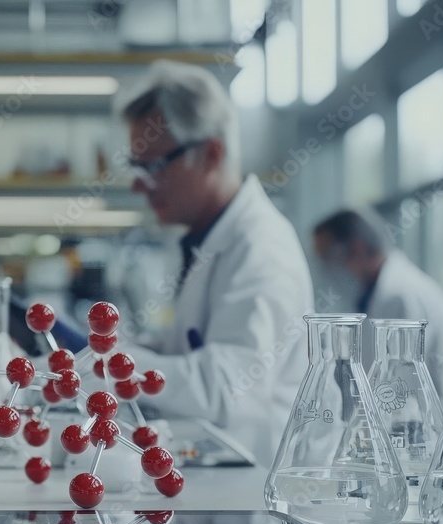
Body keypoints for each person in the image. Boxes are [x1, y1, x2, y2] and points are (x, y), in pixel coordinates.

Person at [112, 60, 315, 465]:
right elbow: (187, 351)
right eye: (137, 168)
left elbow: (227, 386)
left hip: (252, 505)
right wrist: (106, 350)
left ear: (210, 154)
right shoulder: (208, 239)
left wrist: (111, 366)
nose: (138, 185)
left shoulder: (261, 249)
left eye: (152, 167)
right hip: (214, 490)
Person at [312, 208, 443, 403]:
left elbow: (402, 388)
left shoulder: (401, 295)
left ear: (357, 249)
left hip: (419, 424)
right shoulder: (373, 292)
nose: (329, 270)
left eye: (329, 258)